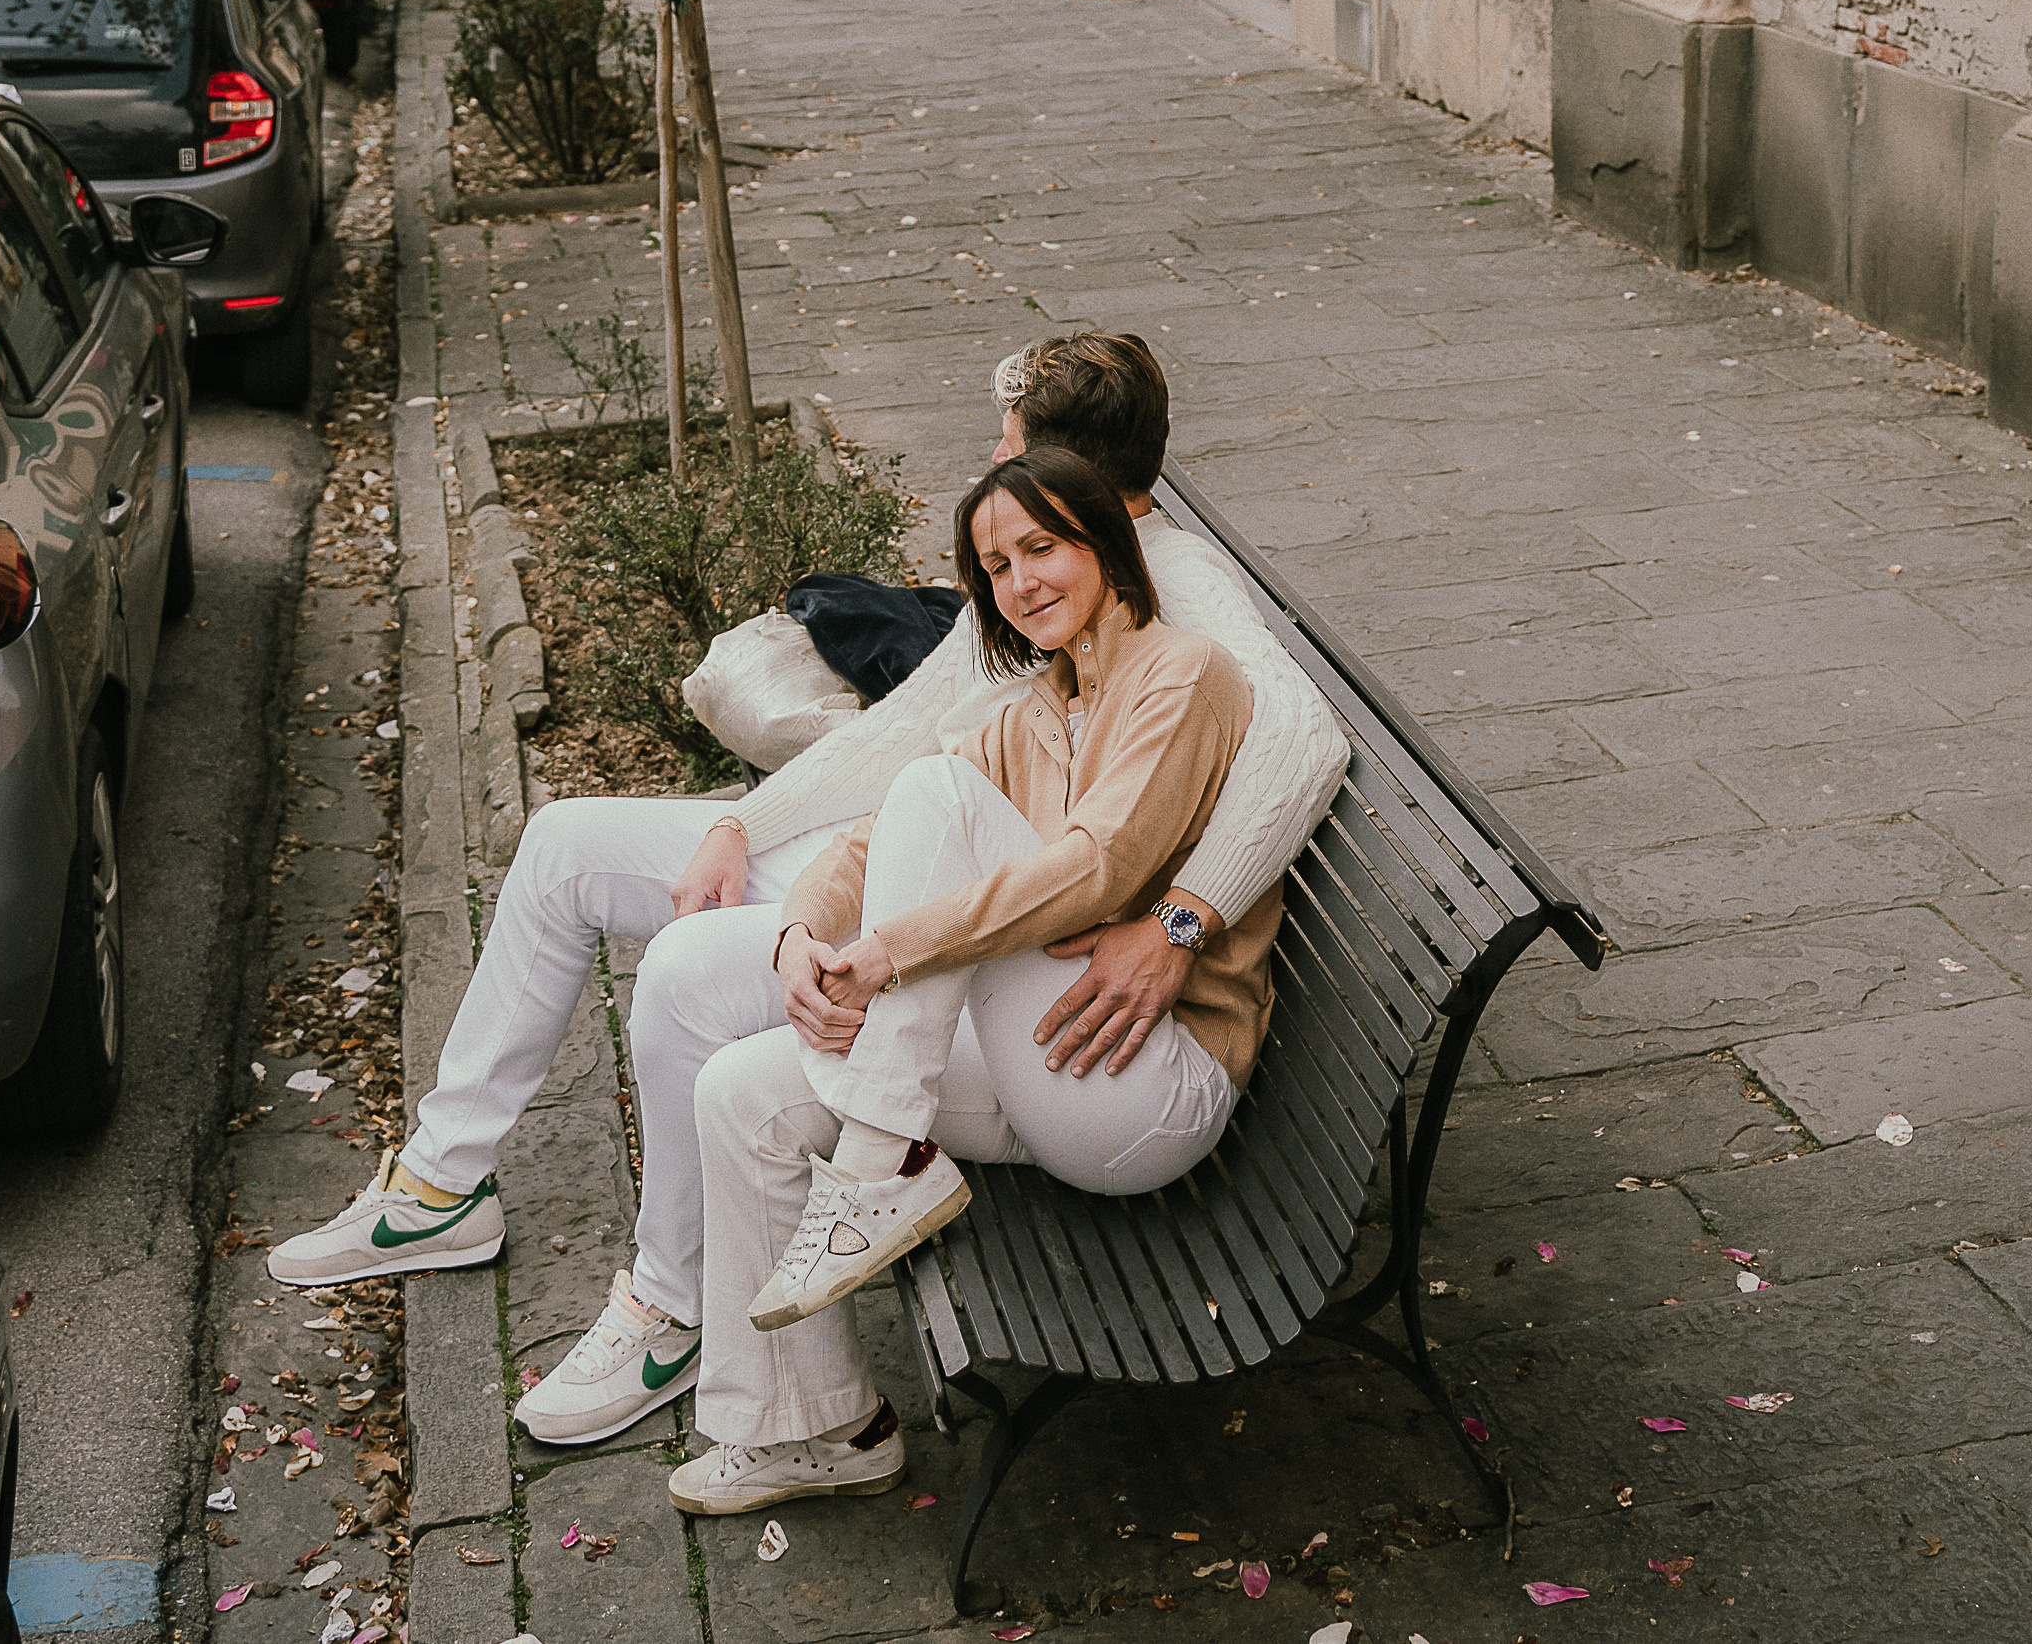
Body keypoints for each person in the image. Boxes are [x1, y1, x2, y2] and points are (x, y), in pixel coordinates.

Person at [264, 335, 1347, 1456]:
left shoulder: (1179, 603)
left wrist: (1183, 920)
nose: (994, 472)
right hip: (941, 876)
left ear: (1067, 489)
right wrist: (751, 834)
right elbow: (919, 734)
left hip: (1023, 935)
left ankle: (680, 1299)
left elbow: (1299, 745)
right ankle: (451, 1187)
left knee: (735, 956)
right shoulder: (1040, 619)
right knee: (572, 852)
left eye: (1011, 453)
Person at [669, 446, 1281, 1513]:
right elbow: (863, 844)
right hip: (1049, 1058)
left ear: (1107, 545)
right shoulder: (1031, 708)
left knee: (937, 799)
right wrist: (799, 938)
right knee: (739, 1094)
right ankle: (820, 1429)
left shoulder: (1180, 674)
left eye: (1043, 546)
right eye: (997, 566)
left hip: (1150, 1083)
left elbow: (1105, 867)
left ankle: (883, 1158)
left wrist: (893, 950)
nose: (1021, 580)